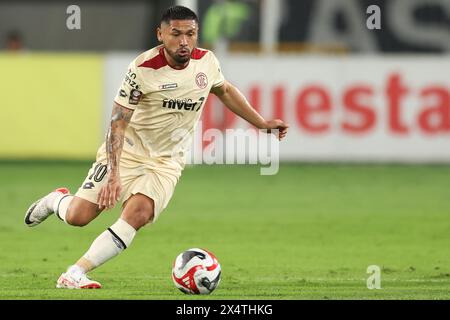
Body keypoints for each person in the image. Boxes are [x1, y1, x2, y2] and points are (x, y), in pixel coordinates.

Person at [24, 5, 288, 289]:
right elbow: (118, 122)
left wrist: (261, 123)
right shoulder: (142, 69)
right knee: (79, 217)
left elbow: (224, 90)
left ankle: (76, 272)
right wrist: (114, 173)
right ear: (160, 34)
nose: (184, 41)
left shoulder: (207, 62)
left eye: (191, 34)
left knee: (138, 213)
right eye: (176, 34)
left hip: (166, 161)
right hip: (127, 152)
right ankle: (56, 200)